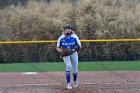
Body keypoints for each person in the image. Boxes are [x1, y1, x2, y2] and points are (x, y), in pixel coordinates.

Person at [56, 23, 82, 89]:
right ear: (64, 30)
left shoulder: (74, 37)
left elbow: (80, 46)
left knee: (75, 70)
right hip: (66, 54)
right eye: (67, 29)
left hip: (73, 53)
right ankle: (68, 84)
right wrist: (61, 51)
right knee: (68, 66)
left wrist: (74, 50)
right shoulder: (61, 38)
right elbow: (57, 47)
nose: (68, 30)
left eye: (69, 29)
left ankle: (75, 81)